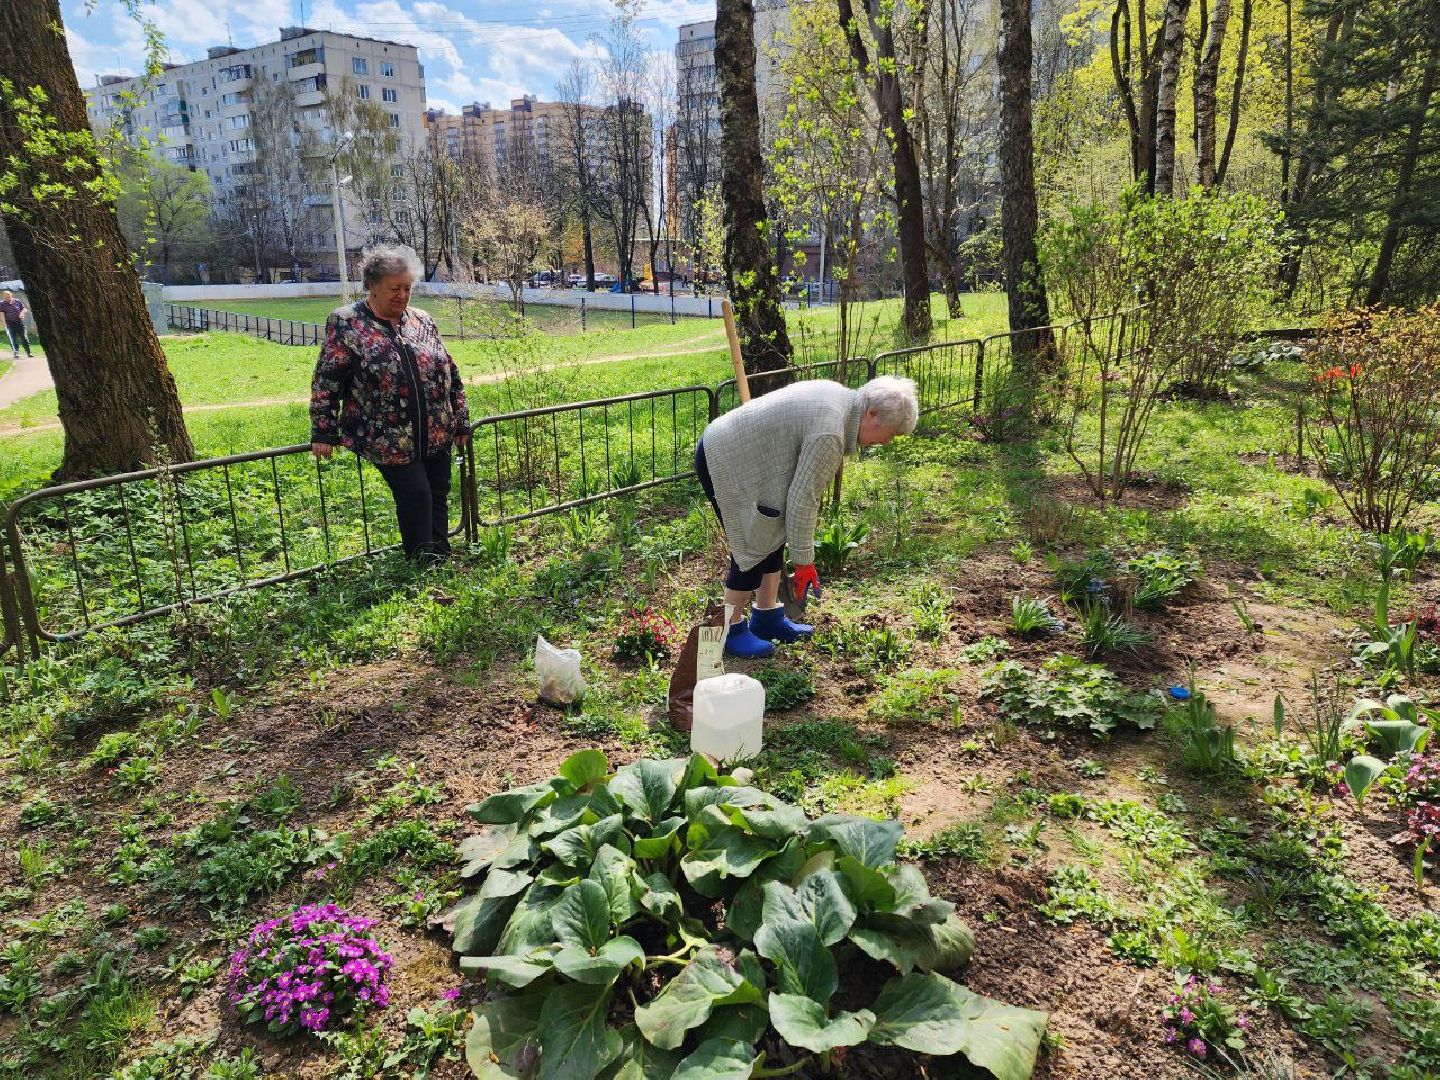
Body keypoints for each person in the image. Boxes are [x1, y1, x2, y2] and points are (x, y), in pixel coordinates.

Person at [694, 375, 920, 657]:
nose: (887, 442)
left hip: (747, 456)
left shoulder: (841, 400)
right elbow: (803, 501)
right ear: (872, 414)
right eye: (891, 432)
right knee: (751, 544)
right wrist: (804, 562)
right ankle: (728, 629)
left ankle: (767, 618)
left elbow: (795, 501)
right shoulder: (831, 433)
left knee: (771, 527)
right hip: (725, 459)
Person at [310, 245, 470, 563]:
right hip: (387, 435)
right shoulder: (347, 323)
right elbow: (326, 381)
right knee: (416, 494)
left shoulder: (422, 320)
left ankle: (440, 554)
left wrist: (461, 419)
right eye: (394, 288)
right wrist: (323, 431)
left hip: (436, 430)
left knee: (438, 490)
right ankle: (421, 559)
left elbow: (449, 370)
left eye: (407, 288)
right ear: (372, 285)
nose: (402, 295)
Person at [1, 289, 33, 359]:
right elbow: (2, 314)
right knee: (13, 339)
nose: (8, 298)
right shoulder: (1, 303)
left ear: (11, 295)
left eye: (9, 297)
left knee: (24, 338)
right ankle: (16, 353)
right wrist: (4, 324)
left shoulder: (17, 301)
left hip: (19, 322)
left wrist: (22, 314)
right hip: (9, 323)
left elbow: (24, 309)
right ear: (4, 297)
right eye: (6, 298)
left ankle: (28, 352)